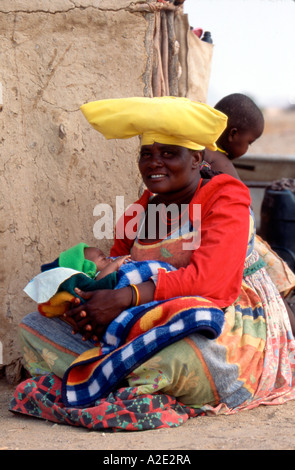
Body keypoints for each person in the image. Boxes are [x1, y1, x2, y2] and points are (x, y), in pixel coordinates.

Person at [12, 97, 295, 430]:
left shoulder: (226, 196)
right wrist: (89, 309)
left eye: (168, 153)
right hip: (141, 323)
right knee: (33, 328)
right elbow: (113, 265)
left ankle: (107, 375)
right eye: (147, 154)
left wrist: (123, 298)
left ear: (196, 159)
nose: (154, 163)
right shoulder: (142, 208)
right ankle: (125, 376)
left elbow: (212, 283)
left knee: (184, 357)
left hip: (220, 320)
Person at [201, 93, 295, 333]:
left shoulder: (201, 152)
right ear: (233, 134)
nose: (247, 148)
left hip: (224, 235)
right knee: (275, 297)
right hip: (239, 243)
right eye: (249, 142)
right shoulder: (221, 163)